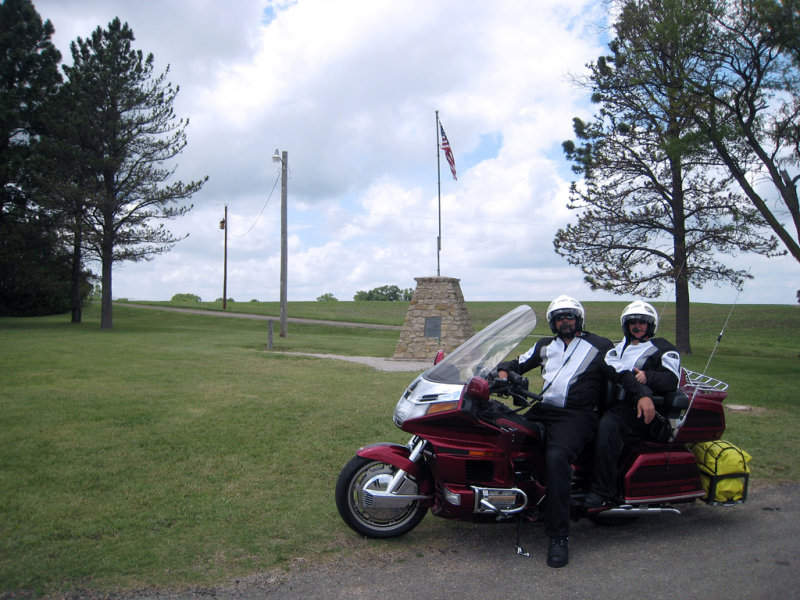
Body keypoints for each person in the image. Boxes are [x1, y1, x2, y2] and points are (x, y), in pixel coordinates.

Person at [496, 295, 649, 568]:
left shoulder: (599, 346)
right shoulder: (545, 346)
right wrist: (500, 372)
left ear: (579, 320)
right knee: (504, 431)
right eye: (559, 317)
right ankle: (511, 500)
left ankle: (558, 536)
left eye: (569, 317)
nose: (565, 321)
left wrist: (642, 395)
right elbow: (516, 363)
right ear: (553, 322)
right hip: (544, 410)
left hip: (577, 416)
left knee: (556, 457)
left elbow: (622, 373)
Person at [584, 300, 681, 509]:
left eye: (642, 322)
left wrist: (649, 376)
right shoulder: (617, 348)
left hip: (642, 411)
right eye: (632, 322)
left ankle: (603, 490)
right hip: (614, 406)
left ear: (651, 325)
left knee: (608, 426)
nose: (636, 326)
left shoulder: (662, 348)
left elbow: (672, 379)